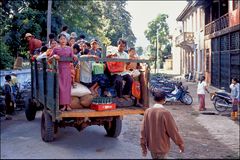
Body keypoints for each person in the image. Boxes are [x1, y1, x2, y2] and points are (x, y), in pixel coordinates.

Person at [140, 92, 184, 159]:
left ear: (154, 100)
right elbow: (173, 131)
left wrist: (143, 146)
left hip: (152, 147)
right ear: (164, 100)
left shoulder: (147, 112)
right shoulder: (165, 113)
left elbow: (143, 130)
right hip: (162, 147)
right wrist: (180, 144)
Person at [50, 34, 76, 111]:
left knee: (67, 88)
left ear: (66, 40)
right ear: (59, 40)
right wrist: (54, 56)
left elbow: (73, 58)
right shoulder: (55, 49)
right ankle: (63, 106)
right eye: (61, 39)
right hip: (59, 70)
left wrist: (75, 57)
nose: (63, 40)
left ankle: (68, 105)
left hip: (67, 70)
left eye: (64, 39)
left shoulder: (69, 48)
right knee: (61, 88)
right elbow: (49, 60)